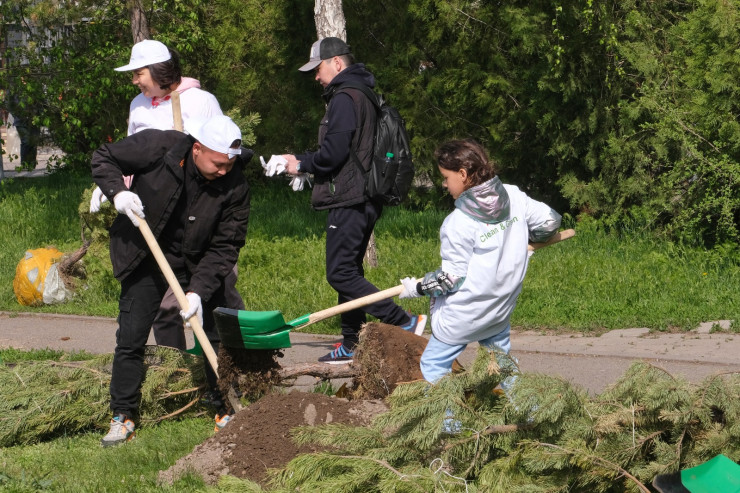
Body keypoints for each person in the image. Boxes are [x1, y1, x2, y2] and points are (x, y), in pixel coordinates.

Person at [91, 115, 252, 447]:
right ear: (197, 149)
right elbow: (104, 157)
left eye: (230, 164)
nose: (225, 170)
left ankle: (224, 408)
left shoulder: (235, 185)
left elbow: (226, 245)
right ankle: (123, 414)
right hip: (146, 253)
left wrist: (198, 291)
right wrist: (118, 193)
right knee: (131, 336)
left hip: (199, 260)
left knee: (215, 333)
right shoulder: (158, 146)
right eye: (218, 163)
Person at [282, 37, 426, 364]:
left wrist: (300, 164)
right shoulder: (362, 92)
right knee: (348, 271)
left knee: (340, 274)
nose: (316, 77)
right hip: (364, 196)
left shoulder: (345, 97)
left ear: (336, 63)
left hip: (350, 197)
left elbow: (333, 153)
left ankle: (403, 320)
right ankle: (352, 343)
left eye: (318, 68)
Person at [90, 39, 232, 351]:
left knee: (217, 299)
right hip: (157, 219)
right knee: (167, 308)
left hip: (200, 217)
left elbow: (224, 154)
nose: (134, 80)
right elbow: (128, 153)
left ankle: (226, 369)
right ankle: (177, 368)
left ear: (158, 71)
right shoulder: (138, 106)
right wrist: (113, 187)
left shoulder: (201, 102)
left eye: (138, 73)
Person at [399, 139, 562, 390]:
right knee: (503, 365)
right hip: (498, 311)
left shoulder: (458, 223)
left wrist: (417, 288)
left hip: (463, 316)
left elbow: (450, 280)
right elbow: (550, 222)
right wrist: (528, 239)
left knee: (434, 365)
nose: (444, 184)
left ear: (463, 174)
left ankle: (449, 416)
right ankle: (527, 409)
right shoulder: (513, 196)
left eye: (446, 177)